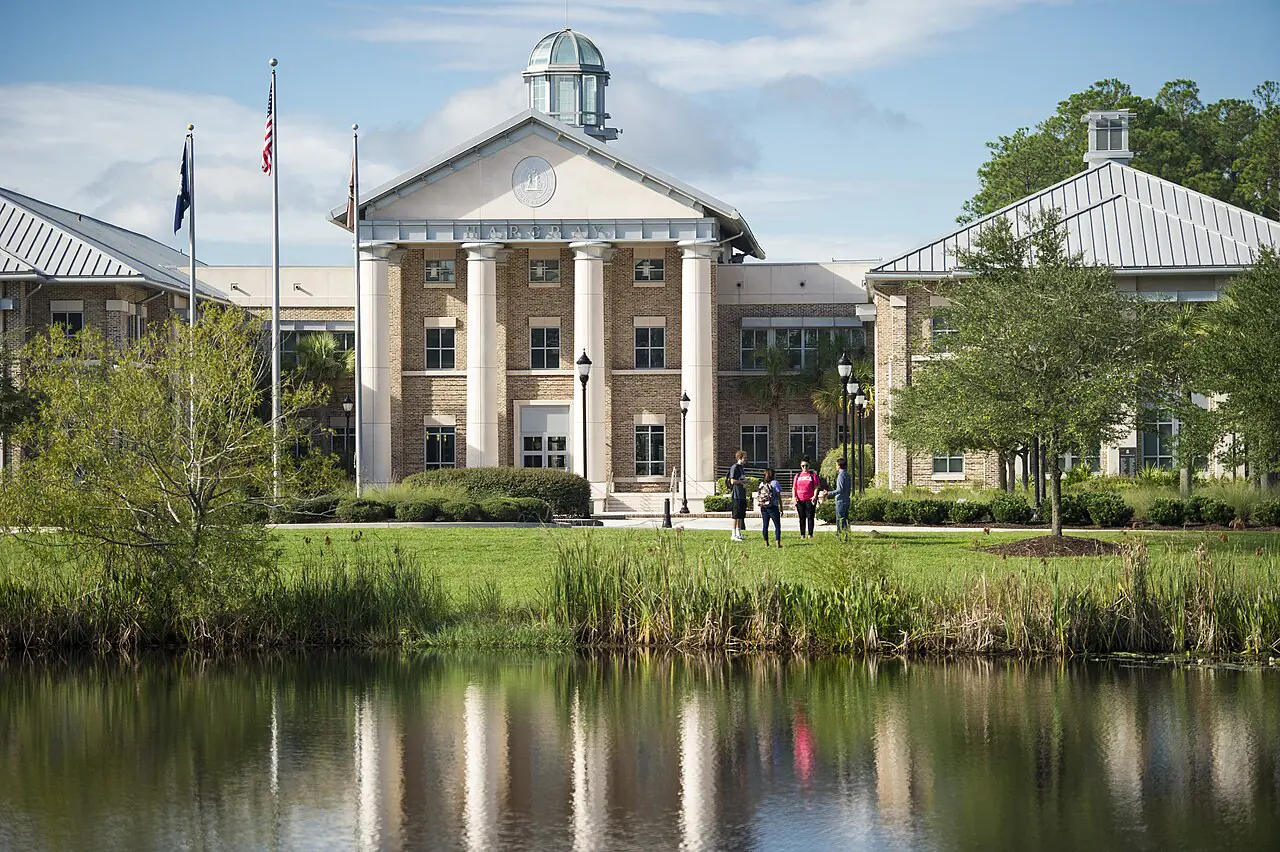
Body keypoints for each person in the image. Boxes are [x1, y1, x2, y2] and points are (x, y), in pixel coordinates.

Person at [792, 456, 819, 540]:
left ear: (809, 466)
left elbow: (816, 486)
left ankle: (810, 534)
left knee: (810, 517)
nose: (804, 468)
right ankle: (802, 534)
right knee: (802, 517)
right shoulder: (798, 475)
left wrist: (815, 496)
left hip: (809, 499)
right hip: (800, 499)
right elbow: (794, 487)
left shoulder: (813, 475)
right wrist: (793, 497)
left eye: (806, 466)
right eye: (803, 466)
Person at [757, 467, 783, 547]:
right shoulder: (775, 483)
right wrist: (781, 508)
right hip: (773, 506)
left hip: (764, 507)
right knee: (777, 525)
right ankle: (777, 543)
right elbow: (779, 496)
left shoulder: (762, 484)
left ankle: (766, 543)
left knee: (765, 525)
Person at [728, 449, 748, 542]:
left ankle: (739, 533)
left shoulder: (741, 468)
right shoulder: (734, 467)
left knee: (741, 515)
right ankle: (733, 534)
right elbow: (733, 481)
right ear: (740, 457)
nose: (746, 460)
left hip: (742, 494)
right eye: (745, 458)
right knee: (735, 515)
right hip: (736, 495)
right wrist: (743, 481)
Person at [834, 457, 852, 533]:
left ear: (839, 465)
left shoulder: (841, 475)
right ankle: (846, 536)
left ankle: (841, 536)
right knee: (845, 520)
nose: (835, 467)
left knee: (840, 520)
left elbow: (840, 490)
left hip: (841, 501)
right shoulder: (847, 475)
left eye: (836, 465)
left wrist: (828, 493)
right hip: (846, 500)